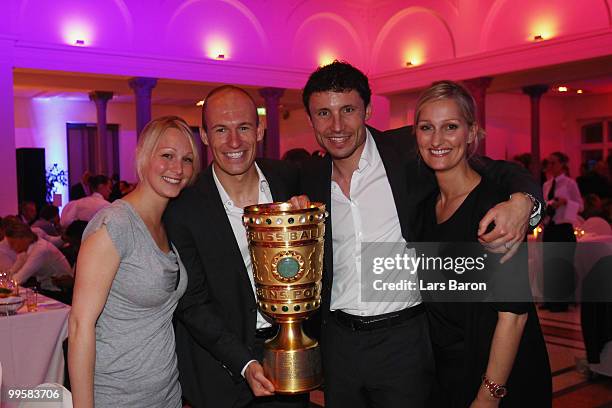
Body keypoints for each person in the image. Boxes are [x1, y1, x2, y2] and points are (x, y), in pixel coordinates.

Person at [298, 61, 544, 408]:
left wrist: (524, 201)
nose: (336, 125)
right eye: (323, 113)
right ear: (310, 119)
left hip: (406, 341)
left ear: (367, 110)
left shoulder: (406, 154)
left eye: (348, 110)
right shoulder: (306, 177)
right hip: (339, 344)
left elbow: (495, 169)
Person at [165, 85, 308, 408]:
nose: (233, 142)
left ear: (260, 130)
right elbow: (193, 302)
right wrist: (243, 362)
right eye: (220, 130)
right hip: (221, 370)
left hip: (289, 355)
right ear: (203, 135)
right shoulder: (183, 207)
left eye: (243, 128)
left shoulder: (291, 180)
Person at [414, 80, 551, 407]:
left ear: (472, 133)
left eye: (450, 127)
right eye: (426, 127)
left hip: (498, 377)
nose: (437, 140)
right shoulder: (423, 209)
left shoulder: (496, 207)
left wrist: (488, 396)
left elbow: (513, 316)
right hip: (445, 375)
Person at [68, 116, 200, 407]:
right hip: (116, 396)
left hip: (166, 394)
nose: (178, 169)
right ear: (143, 156)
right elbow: (79, 325)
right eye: (167, 155)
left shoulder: (169, 223)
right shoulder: (115, 224)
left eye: (187, 159)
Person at [541, 151, 583, 312]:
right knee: (549, 263)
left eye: (553, 163)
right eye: (548, 163)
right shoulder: (546, 184)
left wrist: (565, 202)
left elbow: (580, 205)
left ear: (561, 164)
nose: (550, 166)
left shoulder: (570, 183)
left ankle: (562, 302)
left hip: (563, 228)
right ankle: (550, 300)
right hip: (550, 227)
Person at [4, 221, 72, 294]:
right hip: (47, 289)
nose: (11, 247)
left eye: (12, 243)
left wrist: (4, 286)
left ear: (24, 238)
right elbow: (12, 273)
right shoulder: (25, 250)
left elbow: (19, 279)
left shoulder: (40, 250)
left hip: (60, 292)